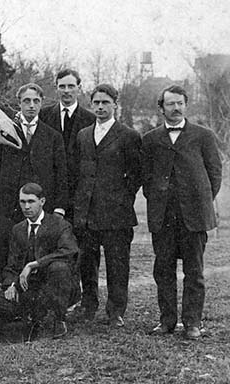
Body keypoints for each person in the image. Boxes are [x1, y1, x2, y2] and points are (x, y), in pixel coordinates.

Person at [141, 85, 222, 340]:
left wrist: (199, 202)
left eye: (180, 103)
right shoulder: (151, 139)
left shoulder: (203, 135)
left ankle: (193, 323)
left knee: (194, 271)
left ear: (186, 105)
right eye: (170, 104)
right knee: (163, 269)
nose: (175, 108)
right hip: (163, 217)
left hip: (194, 217)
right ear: (161, 107)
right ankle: (166, 321)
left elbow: (214, 174)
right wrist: (158, 201)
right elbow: (146, 178)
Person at [71, 84, 141, 327]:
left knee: (117, 264)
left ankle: (116, 311)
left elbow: (136, 174)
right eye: (96, 103)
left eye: (105, 103)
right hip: (87, 213)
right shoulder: (83, 134)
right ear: (91, 105)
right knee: (87, 263)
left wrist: (121, 198)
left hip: (116, 214)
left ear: (115, 105)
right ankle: (88, 305)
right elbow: (78, 172)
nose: (100, 107)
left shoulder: (128, 135)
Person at [0, 183, 78, 340]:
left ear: (42, 201)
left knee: (59, 267)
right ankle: (32, 318)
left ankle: (58, 319)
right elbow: (12, 264)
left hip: (56, 285)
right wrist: (11, 285)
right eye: (22, 202)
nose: (26, 207)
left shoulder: (60, 225)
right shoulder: (18, 229)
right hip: (30, 287)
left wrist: (35, 264)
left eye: (31, 201)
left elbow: (69, 251)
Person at [0, 83, 67, 222]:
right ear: (19, 102)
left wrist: (59, 207)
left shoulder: (53, 136)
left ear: (41, 103)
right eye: (27, 101)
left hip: (42, 207)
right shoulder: (5, 133)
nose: (31, 105)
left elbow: (61, 174)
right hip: (8, 207)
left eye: (36, 101)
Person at [39, 69, 96, 219]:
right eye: (62, 86)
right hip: (50, 192)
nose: (66, 91)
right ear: (56, 88)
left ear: (79, 88)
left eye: (71, 86)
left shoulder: (90, 119)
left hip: (79, 195)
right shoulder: (43, 116)